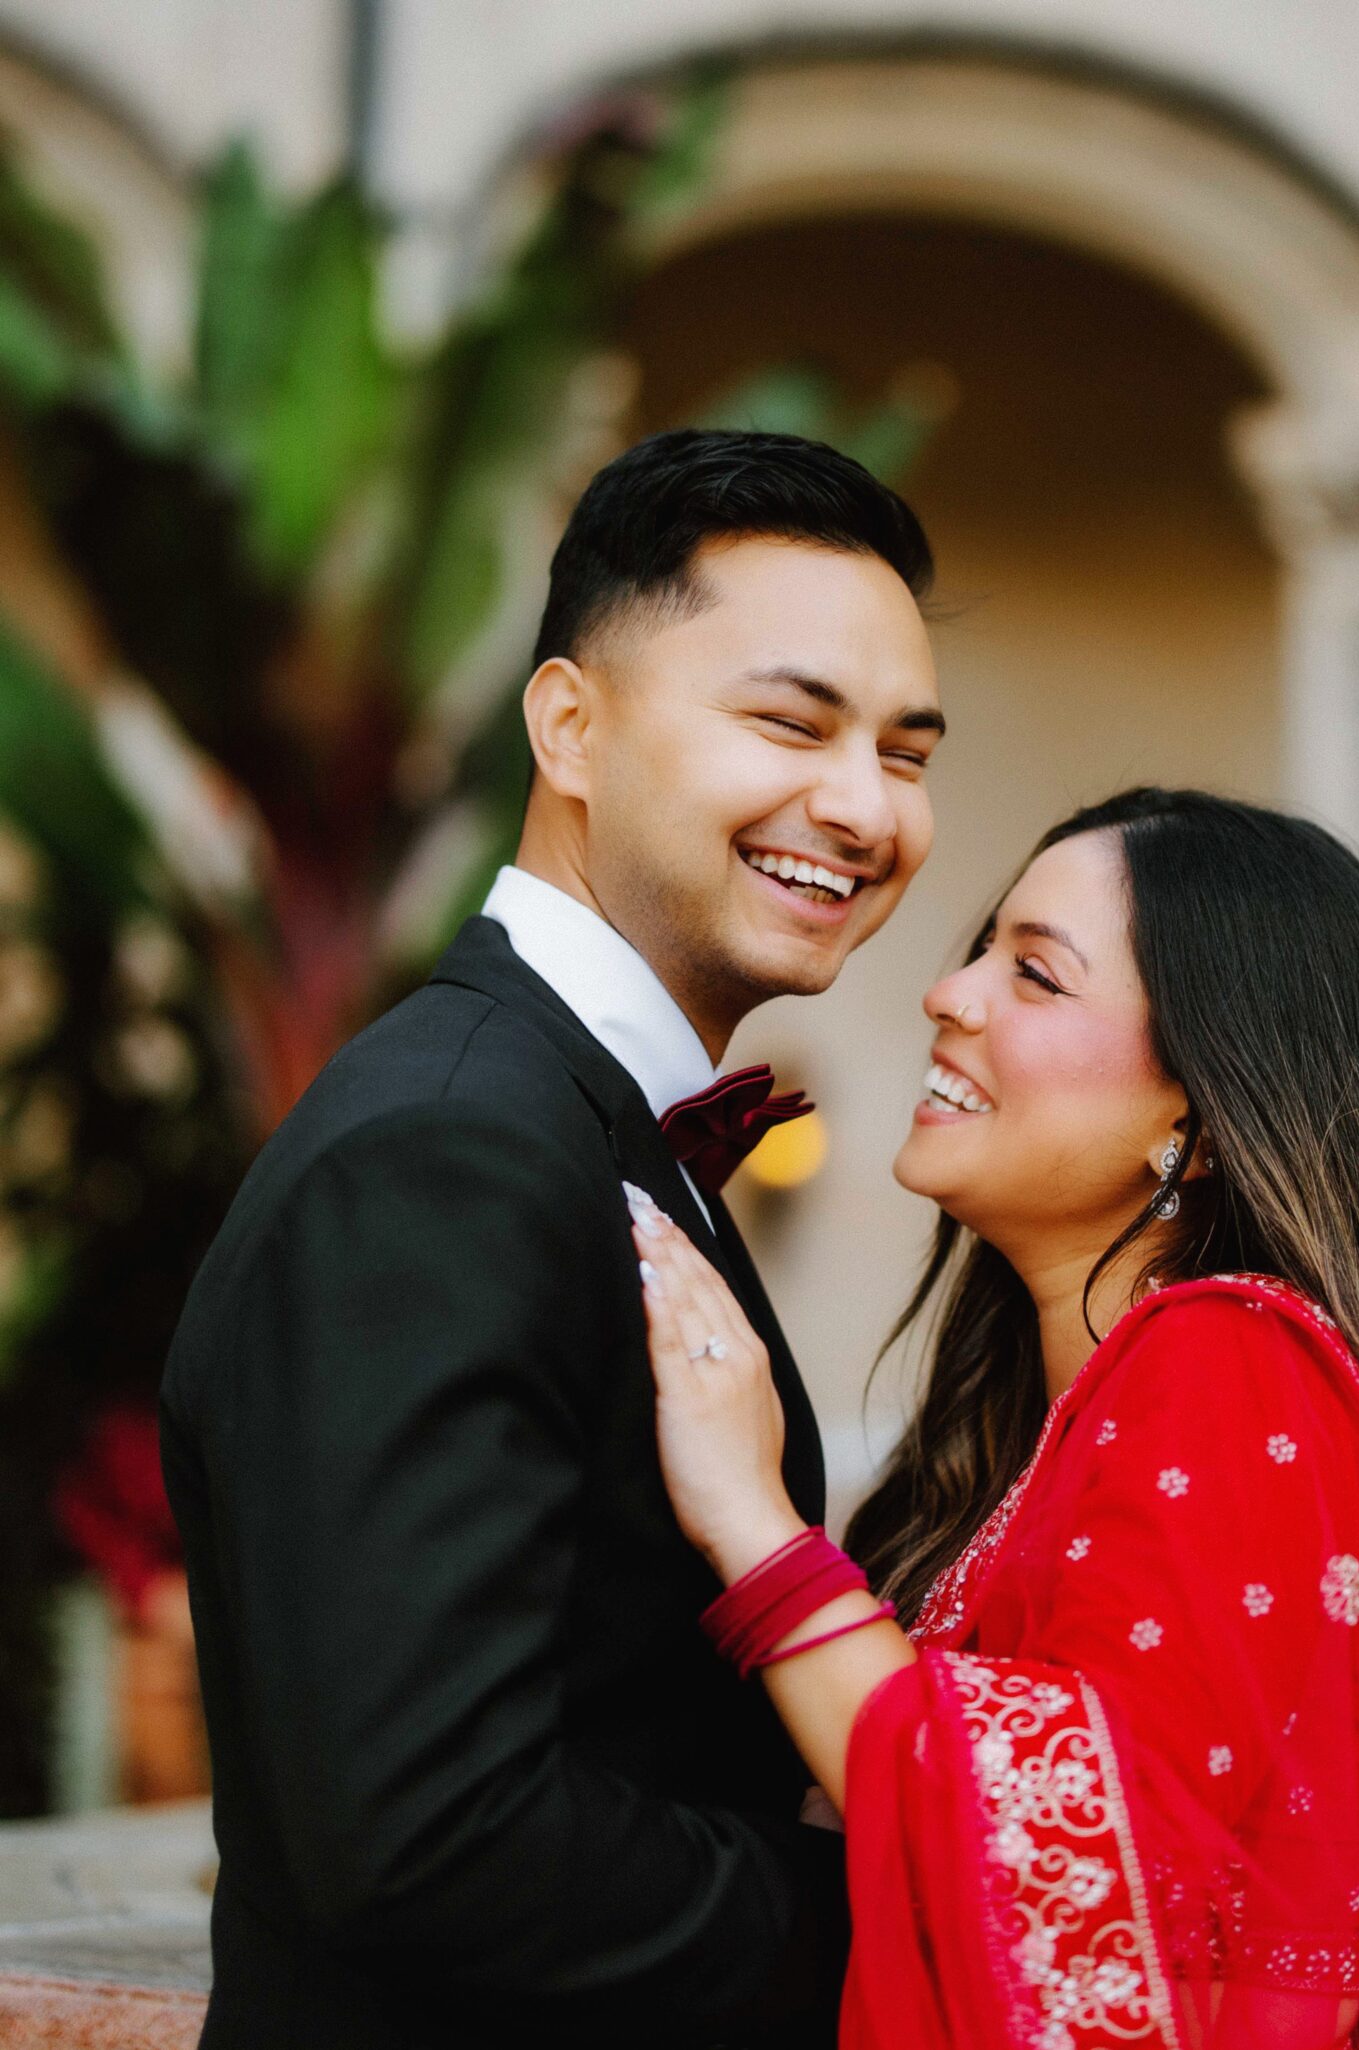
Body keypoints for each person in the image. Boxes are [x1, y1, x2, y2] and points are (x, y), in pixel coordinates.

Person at [159, 428, 944, 2048]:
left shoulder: (559, 1116)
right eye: (791, 721)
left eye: (910, 751)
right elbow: (427, 1833)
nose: (862, 805)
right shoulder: (454, 1148)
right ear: (569, 726)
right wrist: (915, 1917)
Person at [629, 786, 1359, 2050]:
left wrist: (749, 1520)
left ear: (1200, 1120)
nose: (948, 994)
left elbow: (1087, 1877)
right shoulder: (1072, 1412)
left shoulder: (1231, 1367)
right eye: (981, 949)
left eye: (1036, 975)